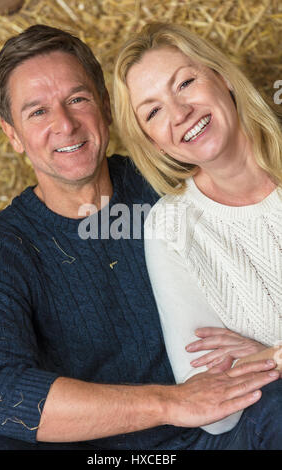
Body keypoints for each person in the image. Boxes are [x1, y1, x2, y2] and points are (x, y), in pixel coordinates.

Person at [0, 24, 280, 452]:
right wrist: (168, 403)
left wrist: (268, 352)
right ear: (11, 135)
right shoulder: (3, 249)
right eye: (38, 112)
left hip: (224, 432)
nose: (65, 125)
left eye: (77, 99)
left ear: (105, 107)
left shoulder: (172, 174)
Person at [113, 21, 282, 437]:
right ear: (154, 142)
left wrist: (269, 357)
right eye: (153, 111)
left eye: (185, 83)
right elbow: (215, 412)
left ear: (221, 77)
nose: (180, 113)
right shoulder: (171, 228)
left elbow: (238, 379)